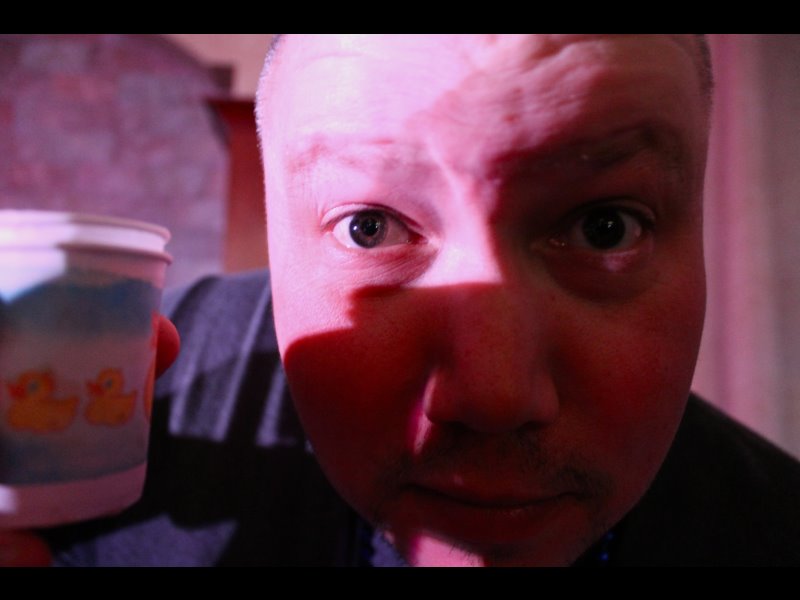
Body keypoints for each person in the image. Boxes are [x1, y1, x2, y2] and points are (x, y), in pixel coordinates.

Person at [4, 34, 800, 567]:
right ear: (274, 232)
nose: (492, 397)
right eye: (370, 227)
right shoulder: (111, 425)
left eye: (604, 228)